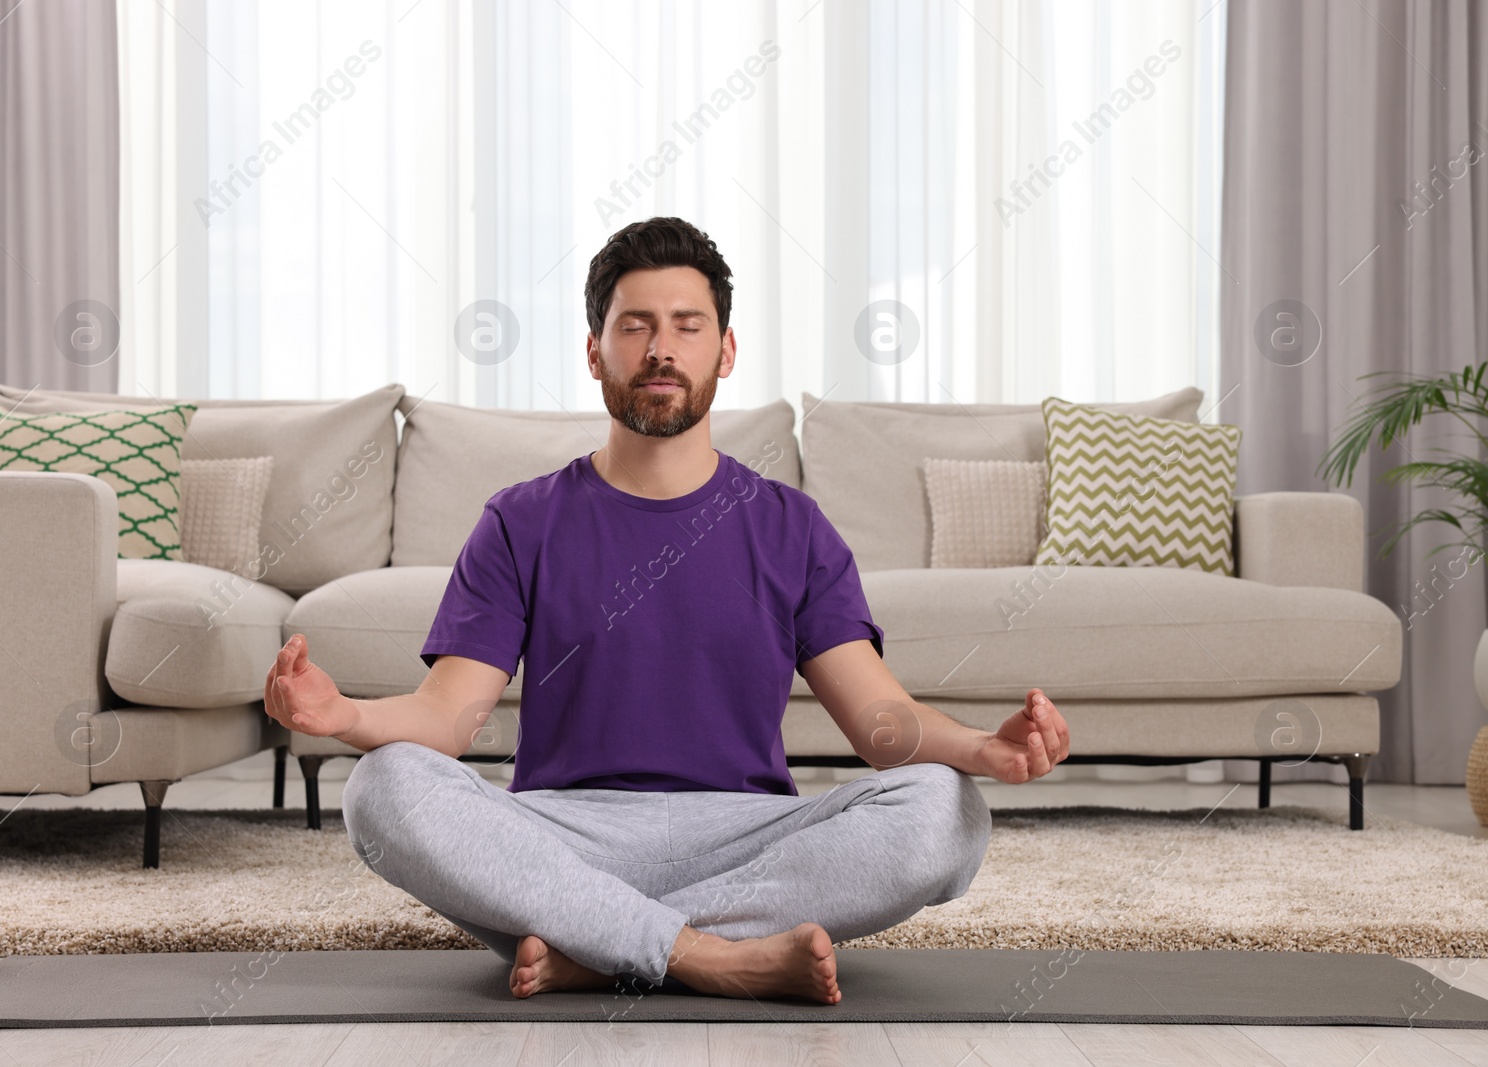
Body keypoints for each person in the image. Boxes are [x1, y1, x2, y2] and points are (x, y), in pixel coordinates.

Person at [263, 216, 1070, 1005]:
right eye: (635, 326)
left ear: (725, 351)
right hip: (564, 835)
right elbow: (445, 721)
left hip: (744, 836)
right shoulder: (520, 521)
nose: (661, 348)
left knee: (945, 810)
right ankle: (711, 954)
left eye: (687, 326)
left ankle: (604, 947)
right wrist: (342, 714)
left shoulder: (793, 528)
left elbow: (879, 722)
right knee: (381, 788)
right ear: (594, 351)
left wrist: (979, 749)